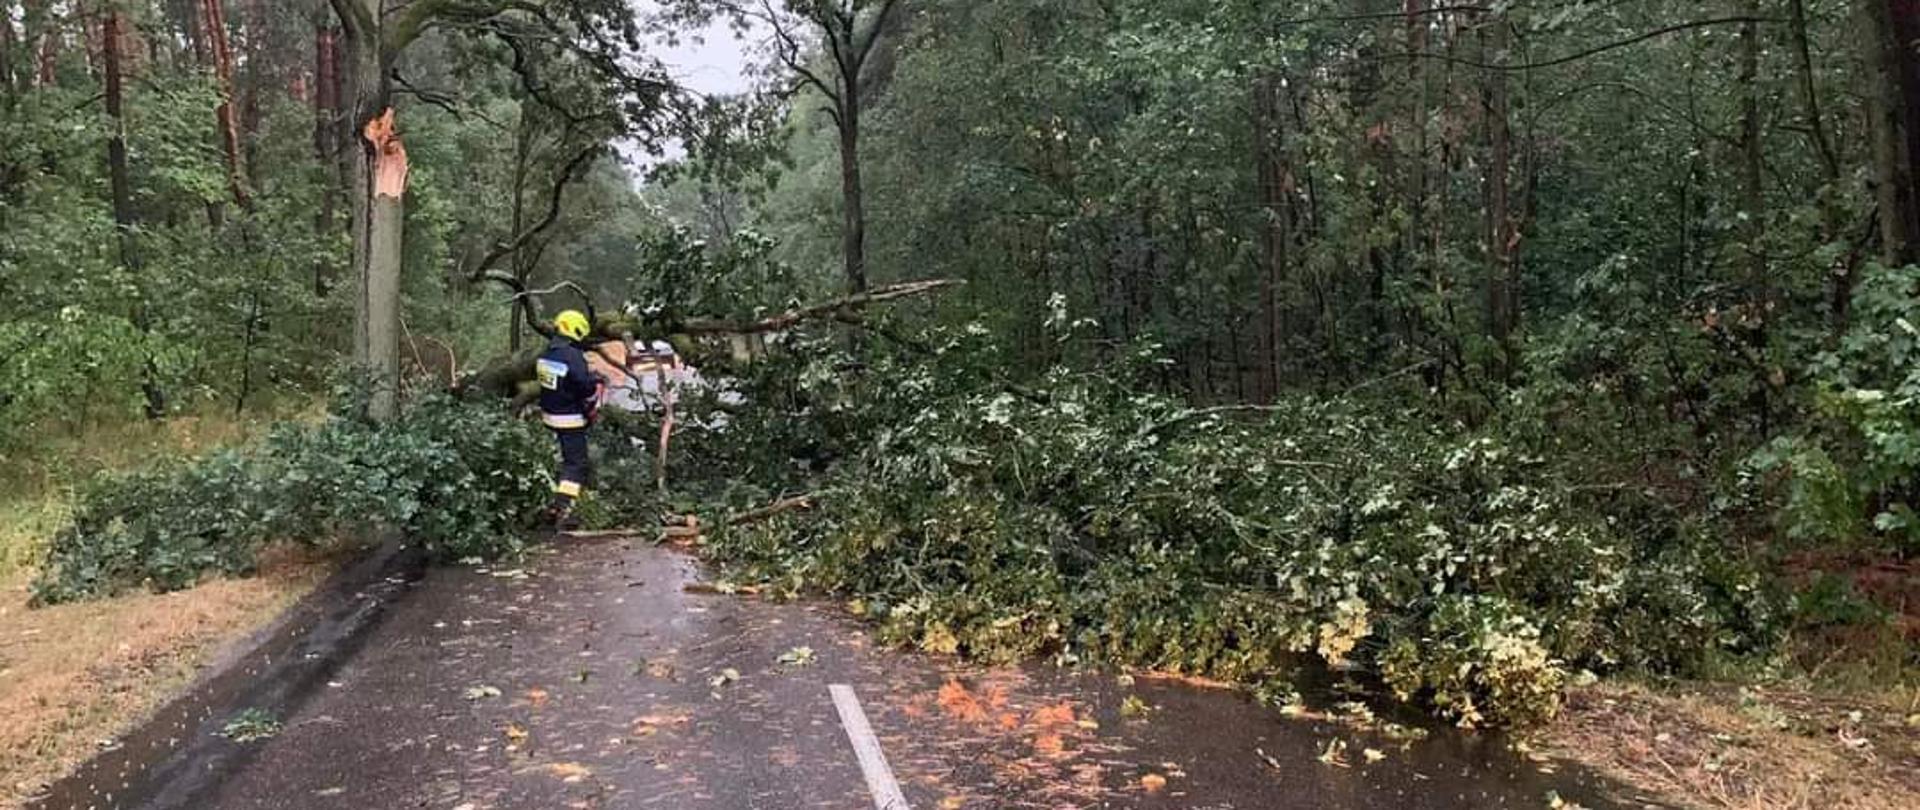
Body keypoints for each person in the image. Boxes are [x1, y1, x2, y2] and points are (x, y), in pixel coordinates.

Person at [536, 309, 603, 530]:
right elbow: (584, 387)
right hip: (569, 418)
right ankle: (561, 505)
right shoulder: (572, 355)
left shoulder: (547, 353)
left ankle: (559, 499)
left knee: (564, 459)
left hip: (549, 414)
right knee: (576, 464)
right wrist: (595, 380)